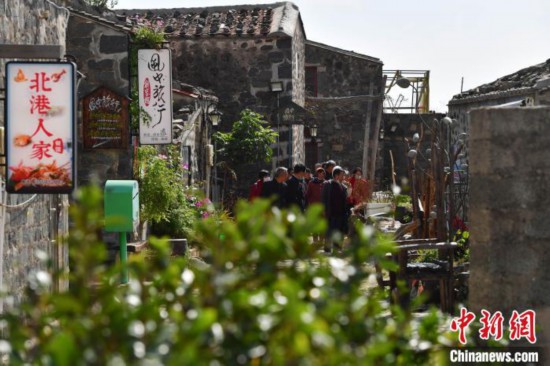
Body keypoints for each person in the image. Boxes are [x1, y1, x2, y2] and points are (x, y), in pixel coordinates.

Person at [321, 166, 348, 253]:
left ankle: (337, 248)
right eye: (341, 175)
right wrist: (324, 210)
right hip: (331, 213)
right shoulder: (328, 185)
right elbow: (324, 198)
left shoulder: (343, 186)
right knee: (330, 231)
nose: (343, 177)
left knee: (339, 231)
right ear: (336, 176)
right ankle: (327, 248)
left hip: (341, 213)